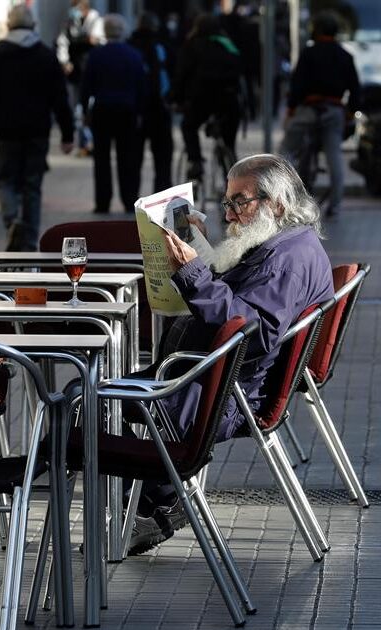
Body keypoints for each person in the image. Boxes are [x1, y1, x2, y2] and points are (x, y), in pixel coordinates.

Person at [125, 154, 334, 554]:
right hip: (211, 378)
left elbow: (251, 335)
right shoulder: (284, 243)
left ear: (277, 204)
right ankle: (149, 503)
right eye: (227, 202)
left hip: (223, 392)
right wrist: (201, 255)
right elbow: (246, 305)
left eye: (240, 201)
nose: (230, 214)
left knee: (93, 403)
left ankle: (150, 506)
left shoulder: (284, 262)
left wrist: (193, 274)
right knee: (105, 394)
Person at [0, 3, 74, 251]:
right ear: (33, 25)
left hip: (5, 129)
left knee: (5, 179)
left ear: (8, 24)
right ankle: (29, 236)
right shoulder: (44, 54)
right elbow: (59, 96)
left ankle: (11, 222)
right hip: (37, 129)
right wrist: (67, 133)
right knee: (32, 184)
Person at [279, 10, 360, 219]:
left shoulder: (309, 53)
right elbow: (355, 89)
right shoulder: (345, 55)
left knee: (286, 149)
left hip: (308, 109)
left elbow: (297, 85)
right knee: (334, 156)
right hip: (333, 111)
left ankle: (276, 193)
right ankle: (335, 204)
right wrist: (349, 113)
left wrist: (290, 110)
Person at [79, 14, 146, 214]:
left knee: (101, 159)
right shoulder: (134, 55)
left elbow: (86, 85)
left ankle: (102, 201)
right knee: (127, 158)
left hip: (102, 110)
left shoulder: (96, 55)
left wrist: (84, 109)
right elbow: (141, 85)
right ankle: (128, 200)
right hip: (127, 111)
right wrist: (141, 111)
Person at [172, 13, 244, 181]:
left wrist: (176, 99)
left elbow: (181, 75)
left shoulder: (191, 45)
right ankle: (231, 168)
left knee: (188, 126)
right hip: (228, 101)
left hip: (201, 101)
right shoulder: (229, 45)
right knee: (228, 141)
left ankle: (195, 160)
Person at [129, 12, 174, 195]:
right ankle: (162, 196)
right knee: (163, 158)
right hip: (160, 107)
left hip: (136, 110)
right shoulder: (163, 45)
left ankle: (130, 196)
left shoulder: (130, 46)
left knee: (133, 158)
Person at [56, 0, 104, 156]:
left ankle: (91, 142)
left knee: (90, 108)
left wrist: (80, 41)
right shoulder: (71, 22)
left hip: (92, 72)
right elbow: (63, 41)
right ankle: (84, 143)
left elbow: (97, 41)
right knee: (78, 109)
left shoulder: (96, 20)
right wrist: (65, 62)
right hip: (76, 72)